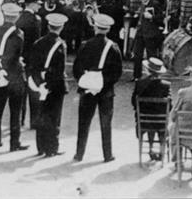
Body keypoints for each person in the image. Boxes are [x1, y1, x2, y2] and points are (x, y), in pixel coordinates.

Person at [73, 14, 123, 163]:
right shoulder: (113, 47)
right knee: (106, 124)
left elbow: (76, 68)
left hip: (87, 89)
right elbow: (117, 72)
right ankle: (107, 155)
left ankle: (79, 154)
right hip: (106, 91)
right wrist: (104, 84)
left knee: (83, 122)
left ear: (95, 27)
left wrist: (85, 81)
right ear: (108, 30)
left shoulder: (85, 45)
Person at [0, 3, 29, 151]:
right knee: (15, 111)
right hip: (14, 75)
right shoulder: (18, 33)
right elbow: (15, 56)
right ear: (16, 17)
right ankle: (14, 142)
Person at [29, 13, 69, 157]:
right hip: (55, 86)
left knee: (41, 114)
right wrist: (51, 86)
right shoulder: (61, 44)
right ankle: (52, 148)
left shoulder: (38, 43)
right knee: (54, 117)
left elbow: (32, 66)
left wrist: (40, 83)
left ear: (48, 26)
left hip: (39, 83)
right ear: (61, 27)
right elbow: (60, 69)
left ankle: (40, 147)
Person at [132, 58, 171, 162]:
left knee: (150, 121)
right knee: (160, 122)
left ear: (147, 70)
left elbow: (134, 102)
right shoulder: (166, 85)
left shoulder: (140, 83)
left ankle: (151, 148)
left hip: (143, 122)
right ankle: (161, 150)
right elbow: (170, 106)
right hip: (160, 123)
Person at [16, 0, 42, 129]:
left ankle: (19, 120)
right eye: (37, 4)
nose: (39, 6)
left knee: (21, 92)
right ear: (32, 4)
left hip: (20, 59)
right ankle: (34, 121)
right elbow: (36, 43)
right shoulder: (35, 20)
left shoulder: (19, 18)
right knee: (34, 90)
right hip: (32, 60)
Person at [131, 0, 164, 80]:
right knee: (137, 55)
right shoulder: (142, 4)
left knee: (151, 55)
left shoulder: (155, 4)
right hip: (141, 32)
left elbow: (161, 19)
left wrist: (152, 17)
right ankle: (137, 76)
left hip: (151, 33)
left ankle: (152, 75)